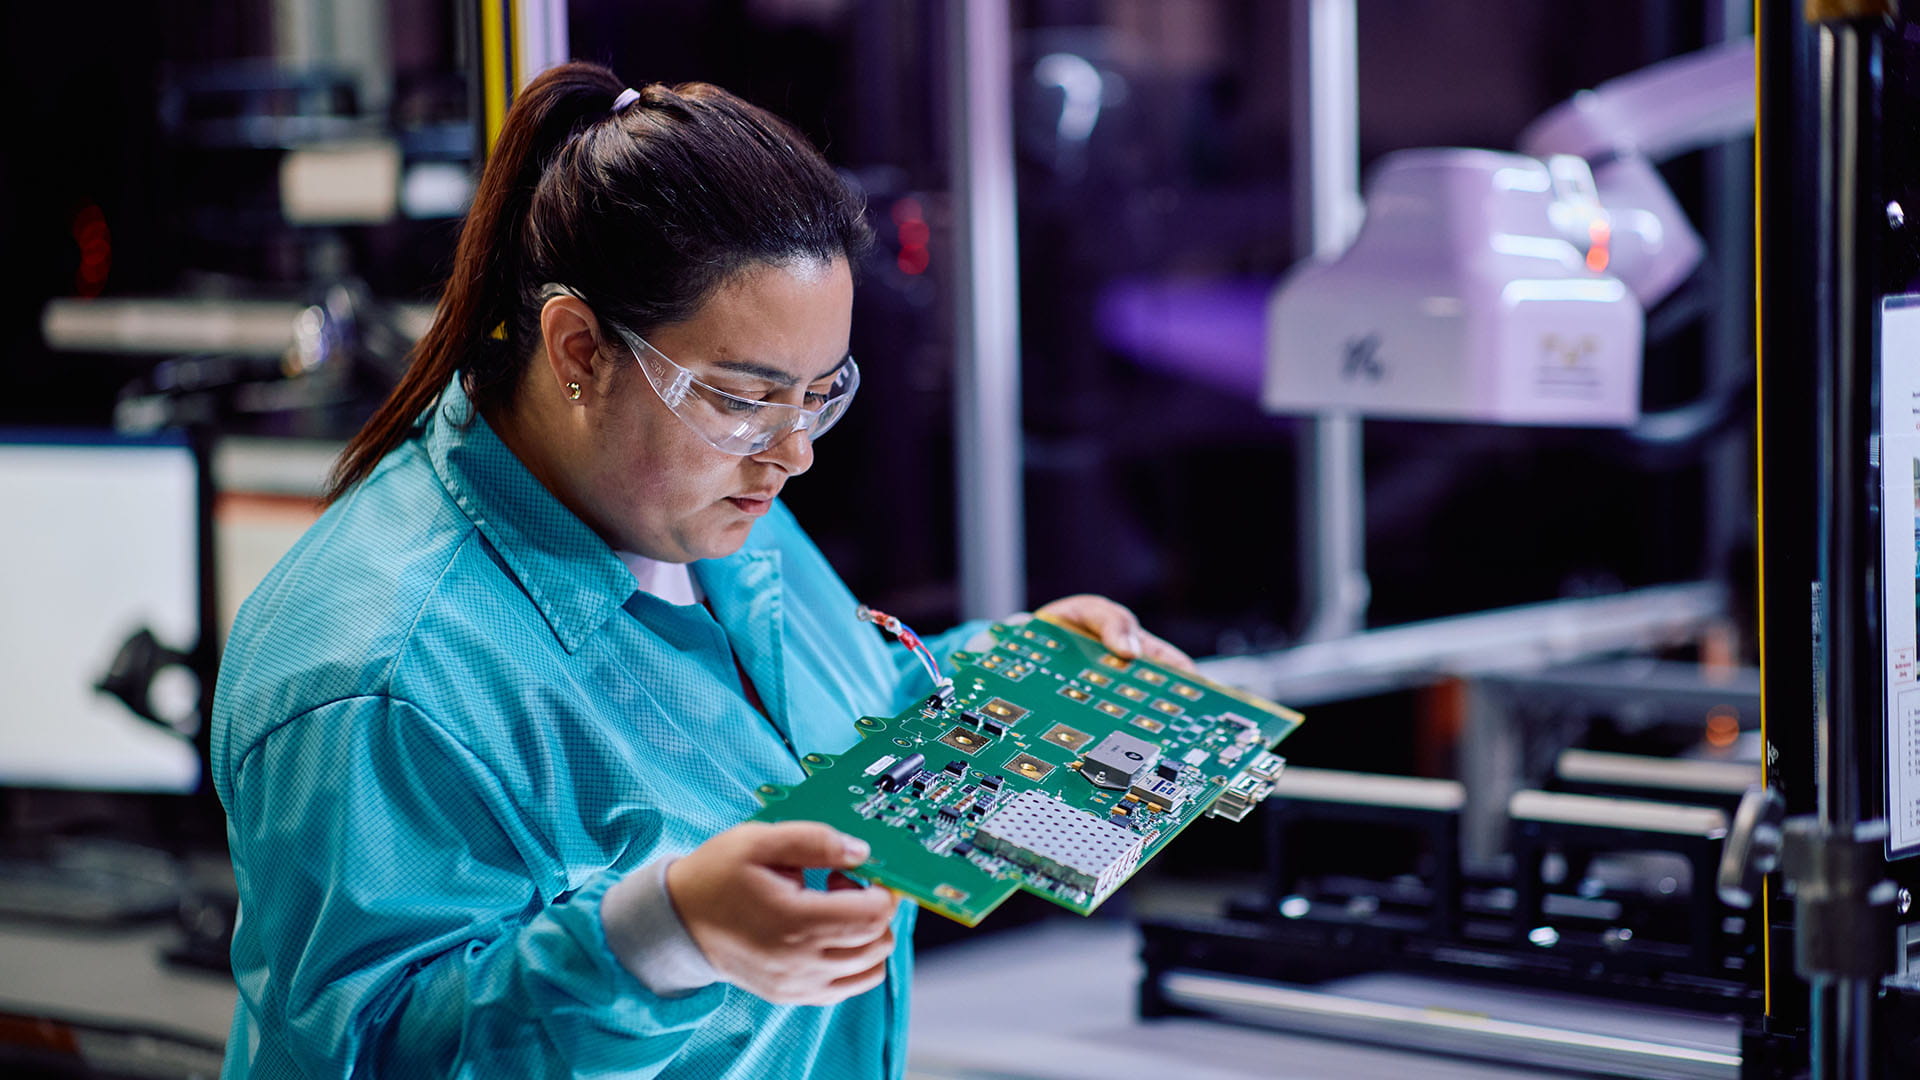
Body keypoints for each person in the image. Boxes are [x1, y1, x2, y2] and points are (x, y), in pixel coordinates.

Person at [211, 62, 1191, 1079]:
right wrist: (659, 938)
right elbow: (375, 1060)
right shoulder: (379, 674)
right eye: (744, 396)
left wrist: (1010, 680)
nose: (793, 452)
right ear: (579, 348)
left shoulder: (700, 500)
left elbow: (801, 737)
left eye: (820, 394)